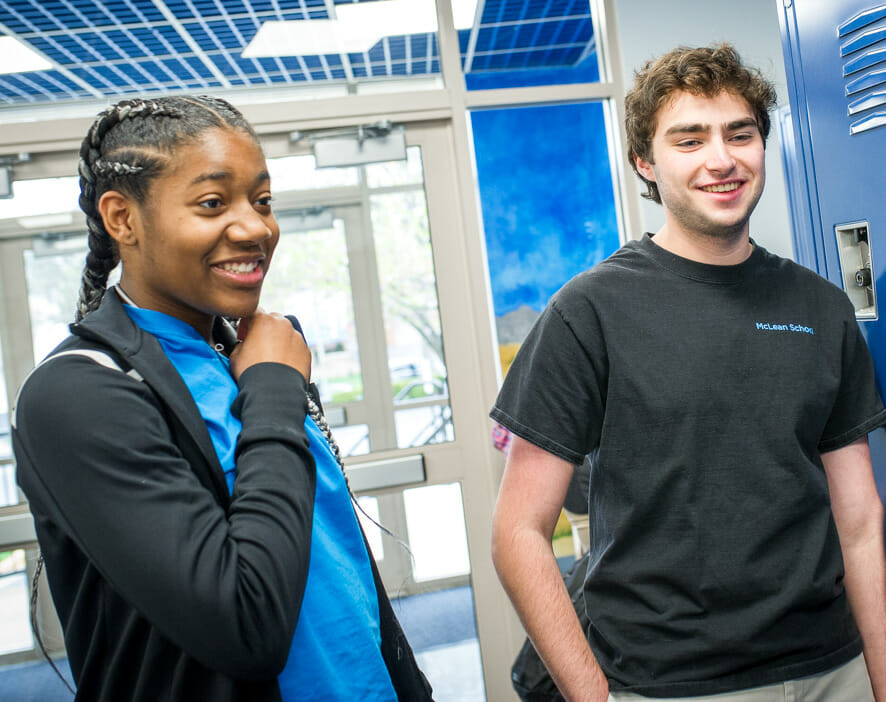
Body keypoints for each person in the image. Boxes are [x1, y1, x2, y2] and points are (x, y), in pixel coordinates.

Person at [490, 44, 886, 701]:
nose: (722, 159)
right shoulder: (590, 312)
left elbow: (861, 522)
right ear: (646, 162)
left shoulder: (821, 307)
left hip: (831, 667)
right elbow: (518, 532)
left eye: (741, 133)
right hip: (673, 683)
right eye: (689, 139)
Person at [12, 95, 432, 702]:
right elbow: (247, 626)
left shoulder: (245, 354)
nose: (256, 227)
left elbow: (337, 572)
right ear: (121, 218)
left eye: (262, 201)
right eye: (213, 202)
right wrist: (272, 390)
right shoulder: (78, 393)